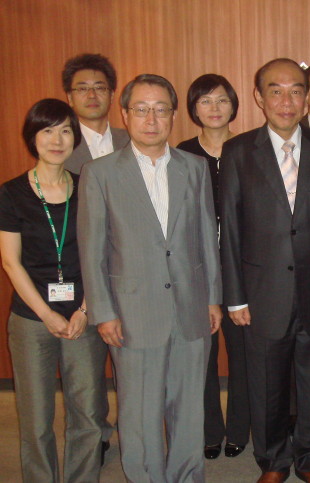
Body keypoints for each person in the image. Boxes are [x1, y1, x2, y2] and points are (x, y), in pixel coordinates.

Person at [77, 74, 223, 483]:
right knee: (139, 411)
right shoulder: (100, 172)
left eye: (161, 109)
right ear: (125, 114)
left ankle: (187, 475)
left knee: (189, 406)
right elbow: (93, 250)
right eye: (141, 109)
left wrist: (213, 297)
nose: (151, 118)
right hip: (131, 310)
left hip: (192, 306)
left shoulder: (194, 168)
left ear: (174, 115)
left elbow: (205, 239)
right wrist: (103, 311)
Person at [219, 58, 310, 483]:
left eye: (296, 90)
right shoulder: (239, 150)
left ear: (307, 96)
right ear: (259, 97)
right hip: (261, 293)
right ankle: (274, 462)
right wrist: (235, 296)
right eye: (275, 90)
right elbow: (230, 229)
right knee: (267, 386)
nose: (287, 100)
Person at [0, 98, 110, 482]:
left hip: (84, 315)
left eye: (65, 130)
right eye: (47, 130)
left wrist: (83, 309)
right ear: (33, 137)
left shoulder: (88, 188)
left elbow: (102, 255)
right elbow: (11, 263)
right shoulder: (11, 193)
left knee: (88, 413)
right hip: (32, 320)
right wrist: (47, 314)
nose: (57, 139)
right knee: (35, 417)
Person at [177, 73, 250, 460]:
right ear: (193, 108)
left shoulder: (250, 148)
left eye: (221, 100)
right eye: (205, 101)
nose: (214, 108)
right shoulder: (182, 153)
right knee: (202, 354)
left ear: (234, 104)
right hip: (197, 270)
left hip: (243, 270)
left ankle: (239, 427)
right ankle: (209, 429)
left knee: (242, 353)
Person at [62, 53, 129, 174]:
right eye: (82, 89)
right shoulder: (59, 146)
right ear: (70, 98)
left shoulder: (132, 141)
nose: (92, 95)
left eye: (99, 88)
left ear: (112, 96)